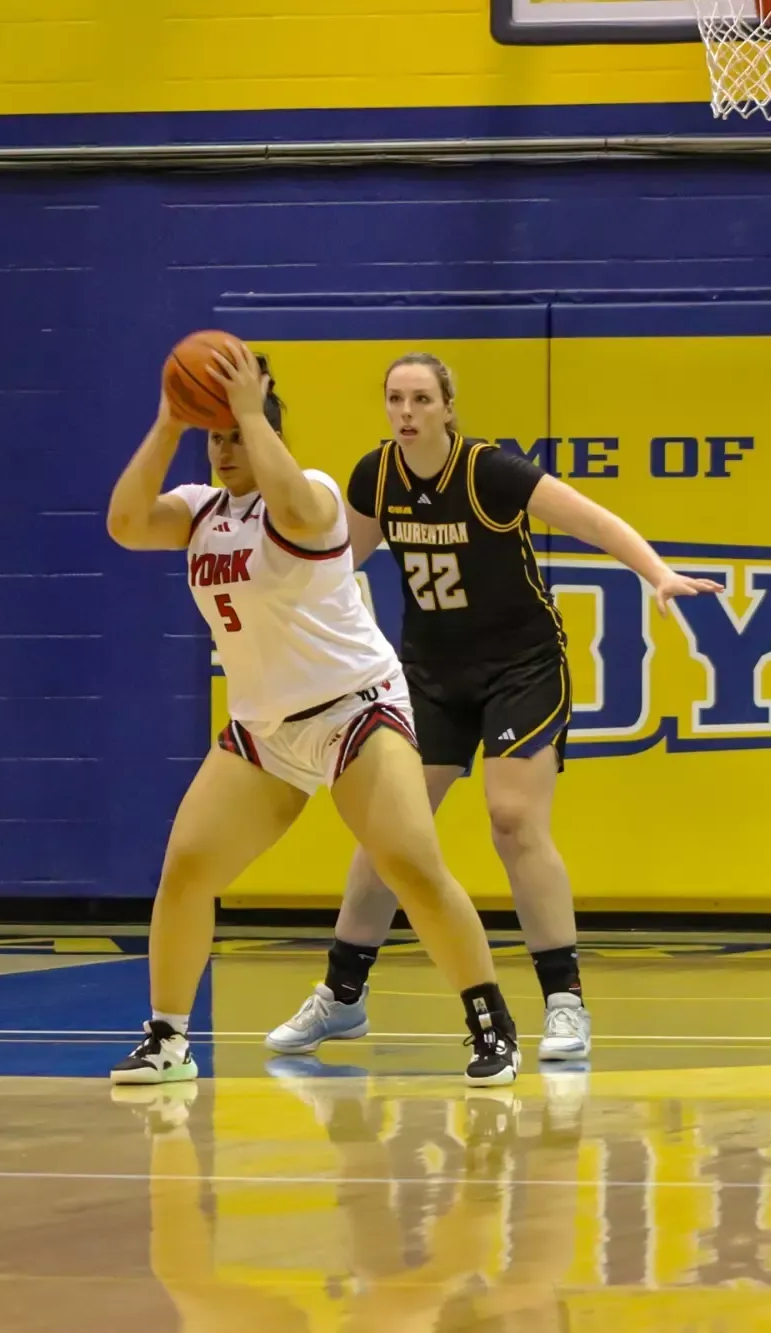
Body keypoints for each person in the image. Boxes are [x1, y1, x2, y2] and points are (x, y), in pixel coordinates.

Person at [265, 352, 722, 1062]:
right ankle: (342, 996)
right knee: (390, 834)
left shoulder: (489, 473)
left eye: (421, 398)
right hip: (428, 673)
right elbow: (336, 565)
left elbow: (592, 520)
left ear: (448, 407)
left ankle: (565, 1001)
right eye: (396, 399)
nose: (407, 412)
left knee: (513, 821)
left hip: (522, 666)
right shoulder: (374, 476)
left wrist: (657, 572)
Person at [104, 344, 520, 1087]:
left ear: (267, 430)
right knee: (187, 869)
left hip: (354, 708)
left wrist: (246, 410)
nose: (227, 449)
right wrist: (171, 421)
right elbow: (127, 524)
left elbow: (292, 505)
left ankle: (489, 1019)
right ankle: (167, 1038)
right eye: (218, 436)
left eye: (239, 433)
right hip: (265, 728)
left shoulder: (314, 496)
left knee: (410, 866)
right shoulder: (201, 510)